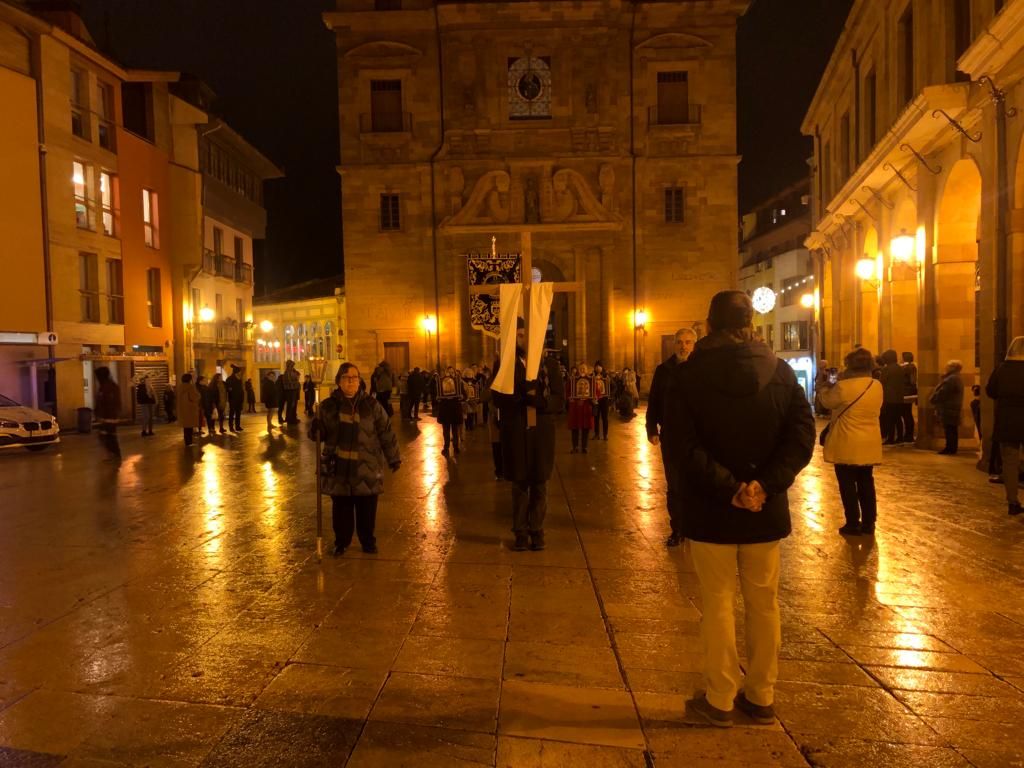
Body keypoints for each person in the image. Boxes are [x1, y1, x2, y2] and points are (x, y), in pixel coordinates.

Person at [663, 290, 814, 728]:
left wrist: (728, 488)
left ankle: (720, 696)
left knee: (718, 603)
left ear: (708, 326)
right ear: (751, 324)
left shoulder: (688, 378)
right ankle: (762, 694)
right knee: (764, 602)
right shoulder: (782, 373)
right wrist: (763, 485)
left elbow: (681, 447)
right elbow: (801, 439)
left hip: (713, 511)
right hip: (762, 511)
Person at [312, 362, 400, 556]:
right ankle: (341, 542)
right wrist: (316, 426)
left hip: (366, 465)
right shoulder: (328, 406)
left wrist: (393, 457)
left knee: (367, 509)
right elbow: (319, 435)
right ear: (338, 381)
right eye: (346, 377)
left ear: (360, 381)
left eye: (355, 377)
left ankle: (367, 541)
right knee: (341, 509)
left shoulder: (372, 405)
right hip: (339, 467)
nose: (351, 381)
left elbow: (385, 431)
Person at [493, 319, 565, 552]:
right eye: (520, 335)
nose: (524, 339)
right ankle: (520, 531)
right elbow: (497, 397)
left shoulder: (550, 365)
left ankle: (537, 529)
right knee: (520, 484)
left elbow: (559, 399)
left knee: (540, 483)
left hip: (541, 433)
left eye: (527, 334)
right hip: (515, 429)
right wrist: (519, 396)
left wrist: (540, 401)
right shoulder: (505, 364)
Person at [819, 348, 883, 535]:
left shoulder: (843, 387)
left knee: (847, 484)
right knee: (866, 483)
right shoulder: (876, 385)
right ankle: (869, 523)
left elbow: (827, 402)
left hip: (846, 441)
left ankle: (853, 522)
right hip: (869, 442)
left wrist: (825, 386)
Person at [648, 327, 697, 547]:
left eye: (687, 342)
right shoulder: (663, 370)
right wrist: (652, 428)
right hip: (671, 436)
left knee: (696, 482)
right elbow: (654, 401)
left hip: (697, 437)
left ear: (694, 345)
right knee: (674, 484)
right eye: (679, 342)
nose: (683, 346)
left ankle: (695, 527)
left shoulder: (702, 369)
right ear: (674, 344)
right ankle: (677, 528)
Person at [986, 336, 1024, 515]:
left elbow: (990, 391)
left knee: (1010, 462)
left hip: (1007, 420)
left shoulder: (1002, 369)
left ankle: (1013, 501)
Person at [930, 360, 965, 455]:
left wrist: (934, 398)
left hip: (949, 407)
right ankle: (951, 447)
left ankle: (950, 448)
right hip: (952, 407)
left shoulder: (952, 379)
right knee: (951, 429)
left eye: (948, 366)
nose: (946, 368)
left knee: (950, 429)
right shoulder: (955, 377)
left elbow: (943, 392)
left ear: (953, 368)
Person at [435, 366, 465, 456]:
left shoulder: (458, 383)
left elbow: (464, 394)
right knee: (446, 430)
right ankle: (446, 447)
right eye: (449, 372)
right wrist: (438, 398)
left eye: (452, 372)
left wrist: (462, 397)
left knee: (455, 430)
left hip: (455, 409)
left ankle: (456, 447)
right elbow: (437, 394)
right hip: (445, 409)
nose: (450, 374)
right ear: (446, 373)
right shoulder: (441, 382)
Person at [877, 350, 905, 444]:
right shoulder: (900, 368)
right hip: (899, 397)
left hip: (889, 397)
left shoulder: (887, 369)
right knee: (898, 418)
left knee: (889, 419)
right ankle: (900, 437)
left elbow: (881, 381)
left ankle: (891, 438)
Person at [567, 363, 595, 454]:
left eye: (584, 368)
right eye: (581, 368)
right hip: (575, 406)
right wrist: (569, 398)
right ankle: (575, 447)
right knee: (575, 428)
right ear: (578, 370)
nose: (582, 370)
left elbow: (596, 391)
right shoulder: (573, 380)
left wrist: (594, 398)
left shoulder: (591, 380)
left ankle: (584, 447)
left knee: (585, 428)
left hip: (586, 406)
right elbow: (568, 391)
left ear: (587, 370)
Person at [176, 373, 202, 448]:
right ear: (190, 379)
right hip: (190, 409)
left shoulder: (180, 387)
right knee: (189, 427)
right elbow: (194, 397)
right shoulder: (190, 387)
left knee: (186, 427)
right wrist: (199, 395)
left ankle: (187, 442)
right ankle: (189, 442)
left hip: (182, 409)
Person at [900, 352, 918, 443]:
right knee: (907, 414)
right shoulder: (911, 367)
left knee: (906, 414)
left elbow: (912, 380)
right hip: (908, 392)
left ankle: (909, 435)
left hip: (907, 393)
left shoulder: (907, 367)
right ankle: (908, 435)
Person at [592, 361, 610, 440]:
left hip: (604, 400)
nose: (598, 368)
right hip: (596, 400)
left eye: (599, 366)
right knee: (596, 417)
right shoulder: (592, 376)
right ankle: (596, 434)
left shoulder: (606, 377)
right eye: (596, 366)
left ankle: (605, 435)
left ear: (602, 367)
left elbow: (614, 386)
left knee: (605, 418)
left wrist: (609, 395)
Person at [281, 360, 301, 425]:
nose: (293, 366)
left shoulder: (292, 371)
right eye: (292, 365)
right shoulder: (287, 372)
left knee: (294, 405)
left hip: (294, 390)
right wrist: (296, 382)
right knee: (291, 405)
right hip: (290, 391)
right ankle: (290, 419)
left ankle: (293, 418)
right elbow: (289, 382)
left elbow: (296, 377)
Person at [225, 365, 244, 432]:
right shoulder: (229, 379)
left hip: (239, 399)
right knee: (232, 413)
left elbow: (241, 389)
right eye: (239, 371)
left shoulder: (240, 379)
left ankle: (237, 426)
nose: (240, 373)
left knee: (238, 413)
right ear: (236, 372)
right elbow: (228, 388)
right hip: (233, 399)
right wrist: (230, 389)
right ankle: (231, 427)